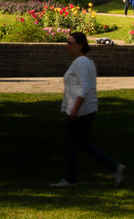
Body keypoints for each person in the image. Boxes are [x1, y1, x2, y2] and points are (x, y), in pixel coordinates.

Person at [52, 31, 121, 188]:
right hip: (87, 109)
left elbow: (84, 88)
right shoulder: (87, 61)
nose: (67, 46)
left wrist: (74, 110)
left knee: (69, 143)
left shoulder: (81, 63)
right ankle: (115, 167)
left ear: (80, 45)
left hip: (80, 111)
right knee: (83, 143)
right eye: (67, 42)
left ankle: (70, 178)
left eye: (71, 43)